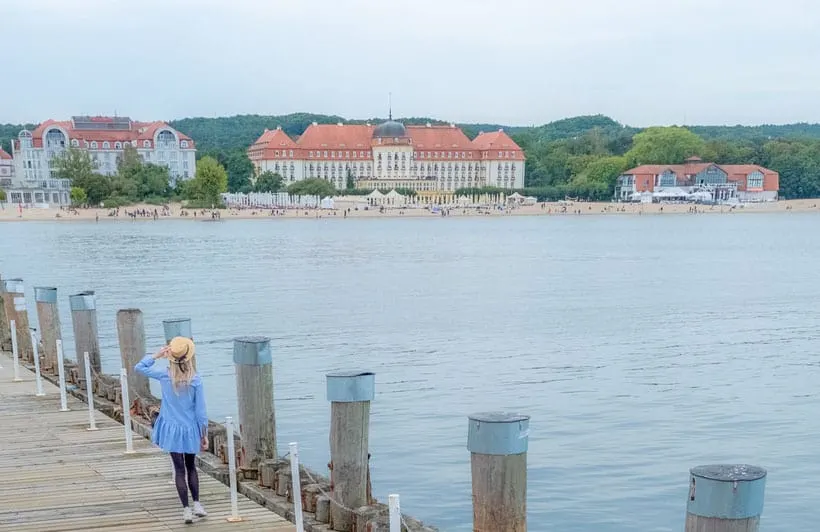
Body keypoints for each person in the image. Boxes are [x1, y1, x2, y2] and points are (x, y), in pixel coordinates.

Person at [135, 337, 208, 523]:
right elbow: (200, 412)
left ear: (171, 357)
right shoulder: (195, 380)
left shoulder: (165, 375)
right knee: (191, 467)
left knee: (179, 469)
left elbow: (139, 367)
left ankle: (185, 510)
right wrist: (204, 433)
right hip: (190, 428)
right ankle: (197, 504)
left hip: (172, 429)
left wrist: (157, 355)